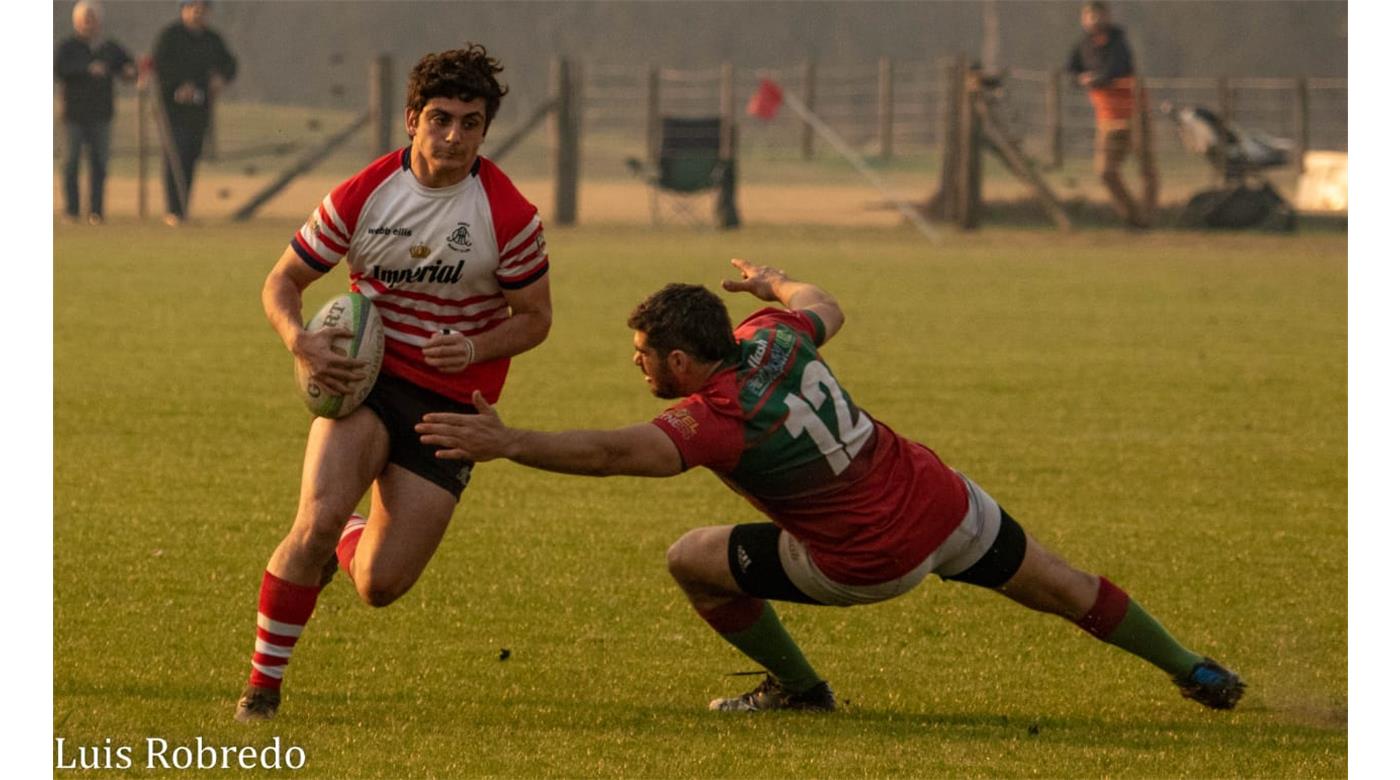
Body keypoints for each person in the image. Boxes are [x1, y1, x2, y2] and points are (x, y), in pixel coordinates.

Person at [416, 258, 1245, 713]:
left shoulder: (714, 418)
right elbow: (824, 301)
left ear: (678, 360)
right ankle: (1193, 667)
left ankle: (800, 690)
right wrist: (772, 279)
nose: (634, 367)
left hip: (869, 560)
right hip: (940, 499)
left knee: (690, 557)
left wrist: (507, 440)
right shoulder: (772, 336)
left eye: (641, 356)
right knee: (1062, 584)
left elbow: (610, 454)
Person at [235, 44, 552, 722]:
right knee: (311, 521)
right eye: (440, 118)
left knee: (379, 584)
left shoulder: (510, 216)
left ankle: (347, 537)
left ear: (485, 131)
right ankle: (261, 693)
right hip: (365, 381)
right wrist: (300, 340)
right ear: (411, 119)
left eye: (471, 123)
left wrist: (473, 344)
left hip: (450, 404)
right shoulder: (365, 193)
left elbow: (535, 321)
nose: (454, 136)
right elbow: (282, 280)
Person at [1068, 1, 1158, 229]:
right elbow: (1072, 70)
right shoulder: (1082, 45)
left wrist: (1095, 79)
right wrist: (1080, 79)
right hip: (1107, 117)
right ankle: (1133, 217)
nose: (1094, 20)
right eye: (1090, 16)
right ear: (1084, 18)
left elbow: (1116, 68)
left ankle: (1147, 219)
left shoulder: (1119, 41)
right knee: (1105, 171)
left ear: (1107, 17)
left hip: (1135, 113)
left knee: (1146, 168)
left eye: (1098, 15)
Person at [151, 0, 236, 225]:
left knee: (190, 157)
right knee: (175, 158)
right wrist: (178, 87)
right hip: (172, 110)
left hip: (199, 111)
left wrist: (220, 78)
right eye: (193, 7)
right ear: (184, 10)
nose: (197, 13)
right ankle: (172, 210)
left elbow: (230, 64)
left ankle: (183, 209)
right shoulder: (169, 36)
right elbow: (158, 67)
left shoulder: (212, 39)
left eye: (202, 9)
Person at [54, 1, 136, 225]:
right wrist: (86, 69)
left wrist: (130, 71)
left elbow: (128, 68)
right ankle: (71, 211)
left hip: (102, 115)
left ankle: (96, 212)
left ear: (99, 22)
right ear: (77, 21)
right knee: (71, 164)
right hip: (73, 115)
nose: (89, 23)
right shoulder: (68, 47)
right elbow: (59, 69)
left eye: (93, 19)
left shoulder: (110, 48)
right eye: (85, 19)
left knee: (99, 164)